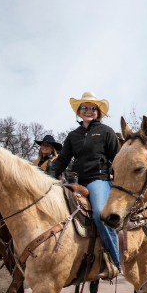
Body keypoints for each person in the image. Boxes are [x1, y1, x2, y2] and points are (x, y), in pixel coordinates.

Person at [51, 92, 121, 269]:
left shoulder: (106, 131)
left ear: (98, 112)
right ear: (79, 111)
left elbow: (118, 159)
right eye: (84, 108)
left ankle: (115, 260)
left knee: (99, 213)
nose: (88, 111)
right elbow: (62, 160)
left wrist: (118, 179)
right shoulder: (73, 136)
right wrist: (47, 178)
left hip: (98, 180)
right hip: (77, 182)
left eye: (92, 108)